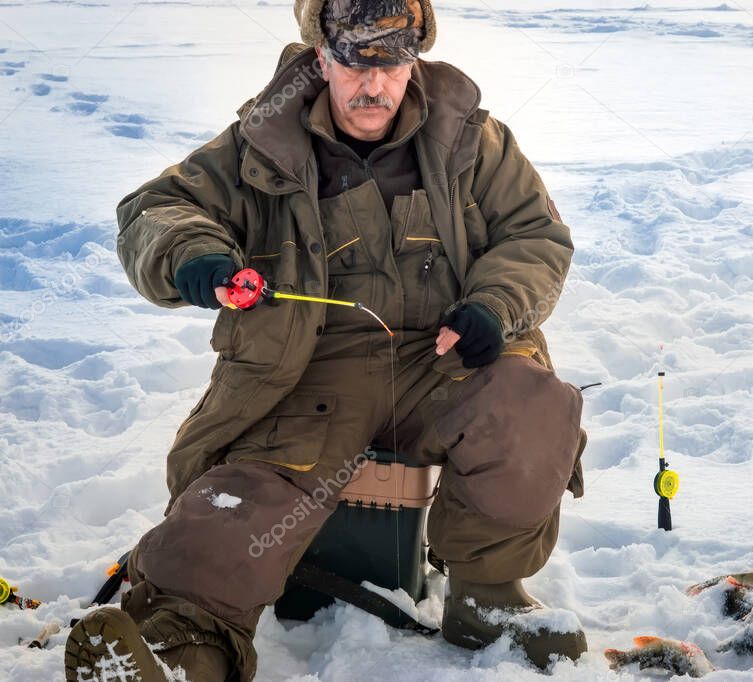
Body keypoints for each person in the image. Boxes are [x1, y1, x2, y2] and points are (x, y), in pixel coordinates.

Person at [64, 1, 588, 680]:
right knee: (244, 502)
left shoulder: (473, 140)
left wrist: (493, 305)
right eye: (352, 63)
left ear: (413, 59)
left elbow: (535, 236)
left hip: (444, 359)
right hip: (308, 371)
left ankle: (488, 598)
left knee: (531, 407)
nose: (372, 86)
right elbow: (154, 210)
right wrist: (194, 255)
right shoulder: (260, 142)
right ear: (321, 57)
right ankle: (181, 650)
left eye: (391, 64)